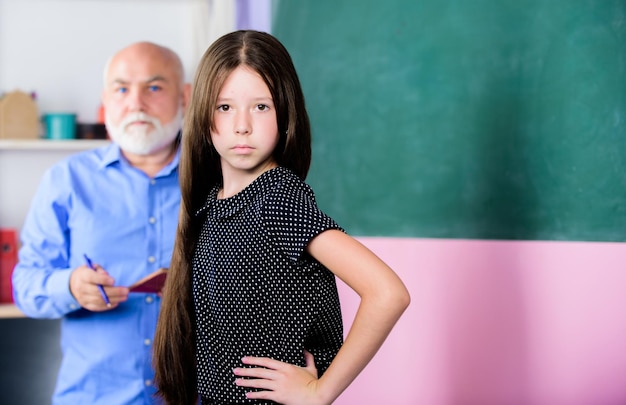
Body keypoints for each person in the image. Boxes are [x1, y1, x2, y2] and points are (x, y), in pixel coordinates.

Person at [153, 30, 411, 405]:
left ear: (285, 114)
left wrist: (320, 391)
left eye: (261, 107)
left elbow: (388, 293)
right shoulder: (212, 203)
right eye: (224, 107)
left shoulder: (278, 199)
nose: (242, 125)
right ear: (203, 114)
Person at [12, 41, 191, 404]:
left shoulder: (220, 182)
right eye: (122, 89)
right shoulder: (66, 181)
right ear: (105, 100)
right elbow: (25, 286)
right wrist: (71, 285)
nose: (136, 103)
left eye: (154, 88)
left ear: (185, 96)